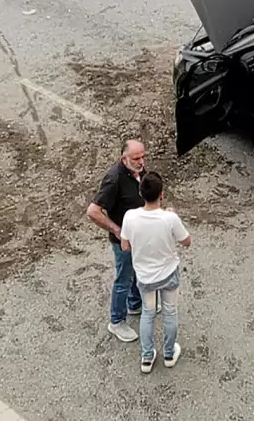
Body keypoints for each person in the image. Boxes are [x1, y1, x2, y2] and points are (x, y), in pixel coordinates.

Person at [120, 172, 191, 374]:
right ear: (162, 194)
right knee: (170, 312)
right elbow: (187, 241)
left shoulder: (130, 217)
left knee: (148, 314)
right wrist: (172, 217)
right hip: (168, 273)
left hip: (144, 276)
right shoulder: (170, 218)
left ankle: (147, 356)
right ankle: (169, 353)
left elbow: (125, 246)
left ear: (140, 193)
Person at [86, 140, 147, 343]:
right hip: (124, 242)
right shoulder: (114, 179)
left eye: (143, 157)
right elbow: (93, 211)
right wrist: (117, 230)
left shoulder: (139, 172)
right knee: (124, 279)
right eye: (136, 158)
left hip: (139, 236)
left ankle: (135, 303)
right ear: (124, 158)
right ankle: (116, 322)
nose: (141, 162)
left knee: (137, 270)